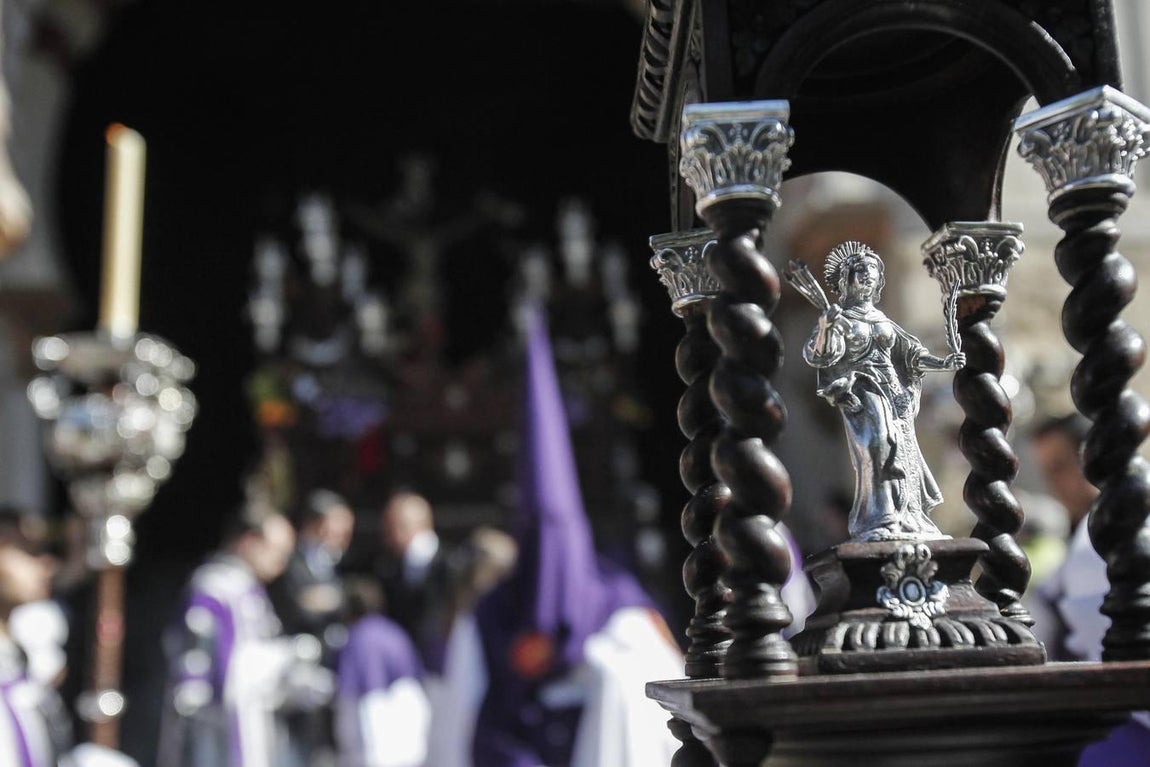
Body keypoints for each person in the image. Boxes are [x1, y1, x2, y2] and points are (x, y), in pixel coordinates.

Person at [446, 303, 681, 767]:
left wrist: (604, 674)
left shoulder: (621, 607)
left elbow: (665, 709)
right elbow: (461, 719)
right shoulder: (491, 616)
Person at [801, 241, 964, 541]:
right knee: (877, 446)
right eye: (862, 270)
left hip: (895, 392)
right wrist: (825, 327)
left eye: (874, 271)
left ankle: (907, 516)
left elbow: (911, 354)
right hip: (862, 390)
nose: (869, 276)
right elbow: (820, 356)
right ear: (847, 278)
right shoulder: (840, 319)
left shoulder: (883, 320)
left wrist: (944, 362)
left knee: (903, 452)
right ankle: (879, 516)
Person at [157, 503, 335, 767]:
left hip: (253, 725)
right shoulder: (213, 589)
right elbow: (211, 673)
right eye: (277, 552)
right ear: (249, 541)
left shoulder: (249, 590)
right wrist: (287, 656)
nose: (282, 564)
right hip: (217, 732)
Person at [1025, 413, 1150, 764]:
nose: (1054, 482)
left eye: (1061, 466)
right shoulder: (1076, 538)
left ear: (1093, 457)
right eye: (1047, 470)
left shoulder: (1124, 522)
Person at [268, 488, 355, 767]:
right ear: (314, 524)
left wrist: (331, 600)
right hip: (298, 673)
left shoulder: (334, 565)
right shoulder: (290, 563)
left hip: (332, 673)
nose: (341, 535)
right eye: (336, 526)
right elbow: (295, 607)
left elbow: (345, 602)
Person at [334, 576, 429, 767]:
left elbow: (364, 689)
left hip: (379, 718)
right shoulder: (394, 630)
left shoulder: (359, 636)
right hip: (409, 714)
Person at [377, 490, 456, 673]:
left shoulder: (451, 564)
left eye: (395, 527)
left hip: (443, 663)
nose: (389, 537)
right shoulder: (390, 568)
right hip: (406, 665)